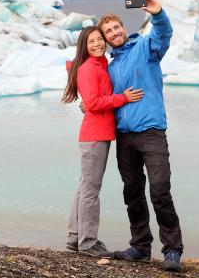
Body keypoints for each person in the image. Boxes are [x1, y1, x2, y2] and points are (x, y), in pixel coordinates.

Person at [98, 0, 184, 272]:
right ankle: (140, 247)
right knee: (132, 191)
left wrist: (158, 14)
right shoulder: (111, 68)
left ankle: (172, 251)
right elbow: (108, 98)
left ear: (123, 28)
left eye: (116, 27)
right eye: (108, 32)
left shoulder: (146, 47)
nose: (114, 33)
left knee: (160, 190)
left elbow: (164, 35)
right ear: (106, 39)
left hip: (151, 131)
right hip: (124, 136)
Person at [62, 26, 144, 258]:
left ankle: (74, 237)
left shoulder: (101, 64)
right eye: (92, 42)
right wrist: (123, 98)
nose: (98, 44)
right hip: (95, 135)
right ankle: (88, 243)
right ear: (84, 47)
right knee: (91, 190)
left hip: (100, 134)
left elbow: (92, 101)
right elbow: (94, 102)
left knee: (84, 186)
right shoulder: (88, 69)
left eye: (100, 39)